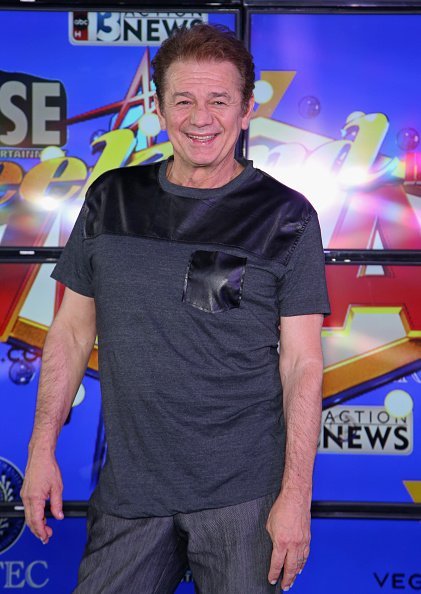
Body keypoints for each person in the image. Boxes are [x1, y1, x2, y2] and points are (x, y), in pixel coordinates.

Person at [21, 24, 330, 594]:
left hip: (244, 500)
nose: (200, 117)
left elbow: (303, 366)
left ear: (245, 111)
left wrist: (295, 495)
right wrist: (41, 451)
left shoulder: (287, 217)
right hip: (129, 495)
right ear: (159, 110)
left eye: (219, 100)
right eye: (183, 100)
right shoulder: (111, 197)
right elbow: (68, 333)